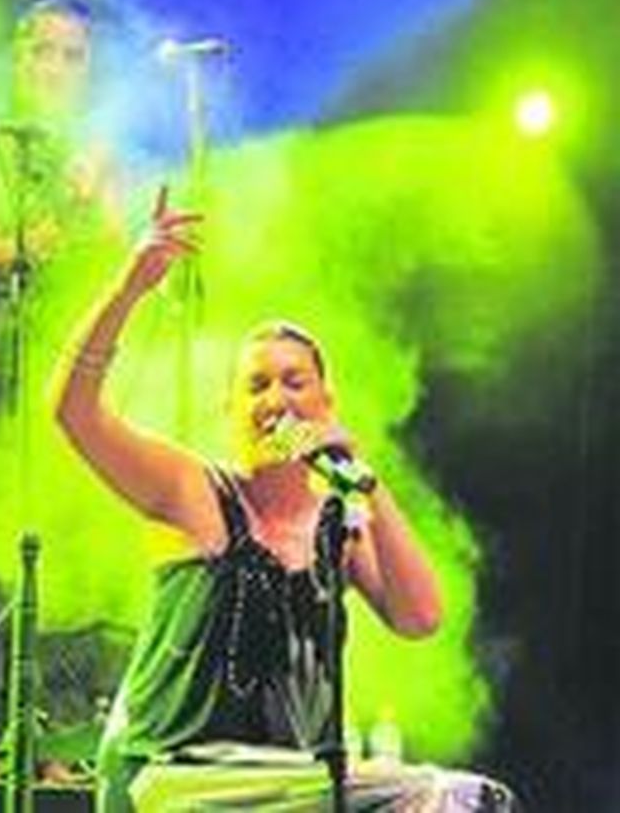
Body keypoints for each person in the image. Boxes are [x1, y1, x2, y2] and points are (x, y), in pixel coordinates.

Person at [53, 192, 444, 811]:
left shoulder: (340, 524)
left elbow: (419, 618)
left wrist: (367, 482)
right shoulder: (195, 490)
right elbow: (73, 412)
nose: (276, 400)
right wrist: (128, 290)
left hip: (281, 782)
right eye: (256, 385)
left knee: (458, 798)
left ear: (326, 404)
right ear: (230, 409)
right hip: (169, 774)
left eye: (295, 382)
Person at [0, 0, 125, 751]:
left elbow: (117, 257)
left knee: (68, 545)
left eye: (73, 55)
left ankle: (63, 735)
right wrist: (51, 225)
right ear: (16, 58)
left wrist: (96, 203)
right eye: (42, 50)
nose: (56, 67)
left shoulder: (95, 158)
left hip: (66, 379)